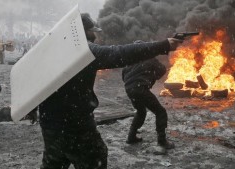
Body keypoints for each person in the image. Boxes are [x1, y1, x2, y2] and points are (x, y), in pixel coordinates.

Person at [38, 13, 182, 169]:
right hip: (76, 125)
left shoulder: (50, 52)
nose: (95, 35)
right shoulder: (84, 51)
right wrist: (163, 45)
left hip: (50, 124)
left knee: (54, 163)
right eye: (92, 31)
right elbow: (119, 53)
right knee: (95, 160)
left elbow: (34, 82)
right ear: (82, 31)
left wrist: (31, 108)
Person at [122, 41, 174, 149]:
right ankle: (162, 141)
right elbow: (162, 69)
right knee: (160, 112)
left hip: (129, 89)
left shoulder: (129, 61)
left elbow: (124, 77)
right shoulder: (149, 57)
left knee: (141, 112)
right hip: (140, 88)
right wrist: (152, 77)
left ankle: (131, 137)